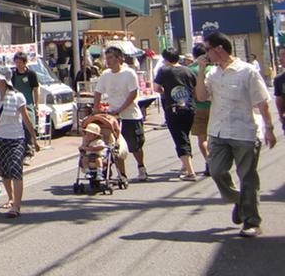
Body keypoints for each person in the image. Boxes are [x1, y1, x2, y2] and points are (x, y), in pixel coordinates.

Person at [196, 31, 276, 238]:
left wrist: (269, 128)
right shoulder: (213, 73)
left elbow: (262, 102)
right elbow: (202, 96)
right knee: (216, 170)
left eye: (208, 49)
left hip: (244, 131)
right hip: (217, 130)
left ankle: (252, 221)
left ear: (219, 49)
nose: (206, 54)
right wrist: (201, 70)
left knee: (247, 177)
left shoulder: (247, 71)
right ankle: (239, 199)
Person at [0, 69, 39, 217]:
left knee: (16, 170)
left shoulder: (18, 97)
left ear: (4, 80)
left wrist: (34, 138)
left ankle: (16, 206)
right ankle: (10, 197)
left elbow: (26, 118)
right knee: (4, 171)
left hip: (16, 138)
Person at [93, 45, 148, 181]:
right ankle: (121, 174)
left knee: (135, 145)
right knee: (115, 146)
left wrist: (121, 108)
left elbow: (133, 93)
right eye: (107, 58)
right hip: (113, 118)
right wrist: (96, 108)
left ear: (119, 58)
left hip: (131, 115)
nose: (108, 61)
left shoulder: (129, 73)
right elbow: (98, 92)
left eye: (111, 58)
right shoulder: (105, 75)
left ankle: (141, 167)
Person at [153, 47, 198, 180]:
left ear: (165, 59)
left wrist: (165, 91)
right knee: (185, 136)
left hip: (173, 108)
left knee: (180, 139)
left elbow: (156, 87)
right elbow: (194, 89)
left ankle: (190, 172)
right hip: (190, 108)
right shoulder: (188, 70)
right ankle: (185, 166)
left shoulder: (164, 70)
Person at [10, 51, 40, 163]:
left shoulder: (31, 74)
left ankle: (29, 152)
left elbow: (36, 89)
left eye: (19, 62)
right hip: (15, 104)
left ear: (24, 62)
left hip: (28, 103)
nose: (17, 64)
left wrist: (36, 105)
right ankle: (18, 151)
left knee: (28, 125)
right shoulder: (13, 74)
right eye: (16, 62)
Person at [81, 112, 129, 179]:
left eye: (90, 134)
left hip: (99, 155)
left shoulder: (99, 141)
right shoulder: (87, 141)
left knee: (98, 160)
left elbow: (101, 147)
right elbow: (82, 147)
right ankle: (87, 172)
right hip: (88, 156)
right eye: (87, 134)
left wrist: (91, 148)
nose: (87, 136)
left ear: (95, 135)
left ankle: (100, 173)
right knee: (84, 160)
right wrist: (83, 147)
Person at [189, 43, 212, 176]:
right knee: (214, 137)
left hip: (197, 106)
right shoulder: (213, 68)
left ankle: (208, 161)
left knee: (202, 138)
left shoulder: (190, 69)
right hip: (214, 106)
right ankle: (216, 161)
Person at [274, 45, 285, 133]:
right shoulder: (279, 79)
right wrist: (281, 116)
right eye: (280, 55)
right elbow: (279, 99)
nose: (280, 58)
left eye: (284, 55)